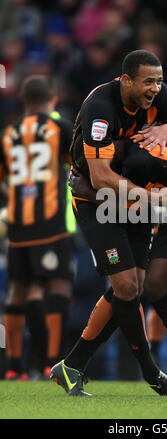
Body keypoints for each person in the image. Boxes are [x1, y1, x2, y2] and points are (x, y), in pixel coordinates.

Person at [50, 49, 167, 397]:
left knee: (133, 285)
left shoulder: (161, 98)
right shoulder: (100, 107)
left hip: (135, 197)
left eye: (159, 81)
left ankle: (71, 366)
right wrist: (153, 198)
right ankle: (153, 376)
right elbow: (101, 177)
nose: (155, 88)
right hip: (96, 198)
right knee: (128, 288)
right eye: (148, 81)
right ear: (126, 80)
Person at [0, 75, 74, 380]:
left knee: (18, 291)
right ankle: (52, 363)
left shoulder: (9, 132)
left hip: (18, 224)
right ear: (52, 98)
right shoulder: (59, 127)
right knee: (58, 286)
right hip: (52, 223)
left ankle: (14, 367)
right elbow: (78, 165)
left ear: (23, 101)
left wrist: (18, 193)